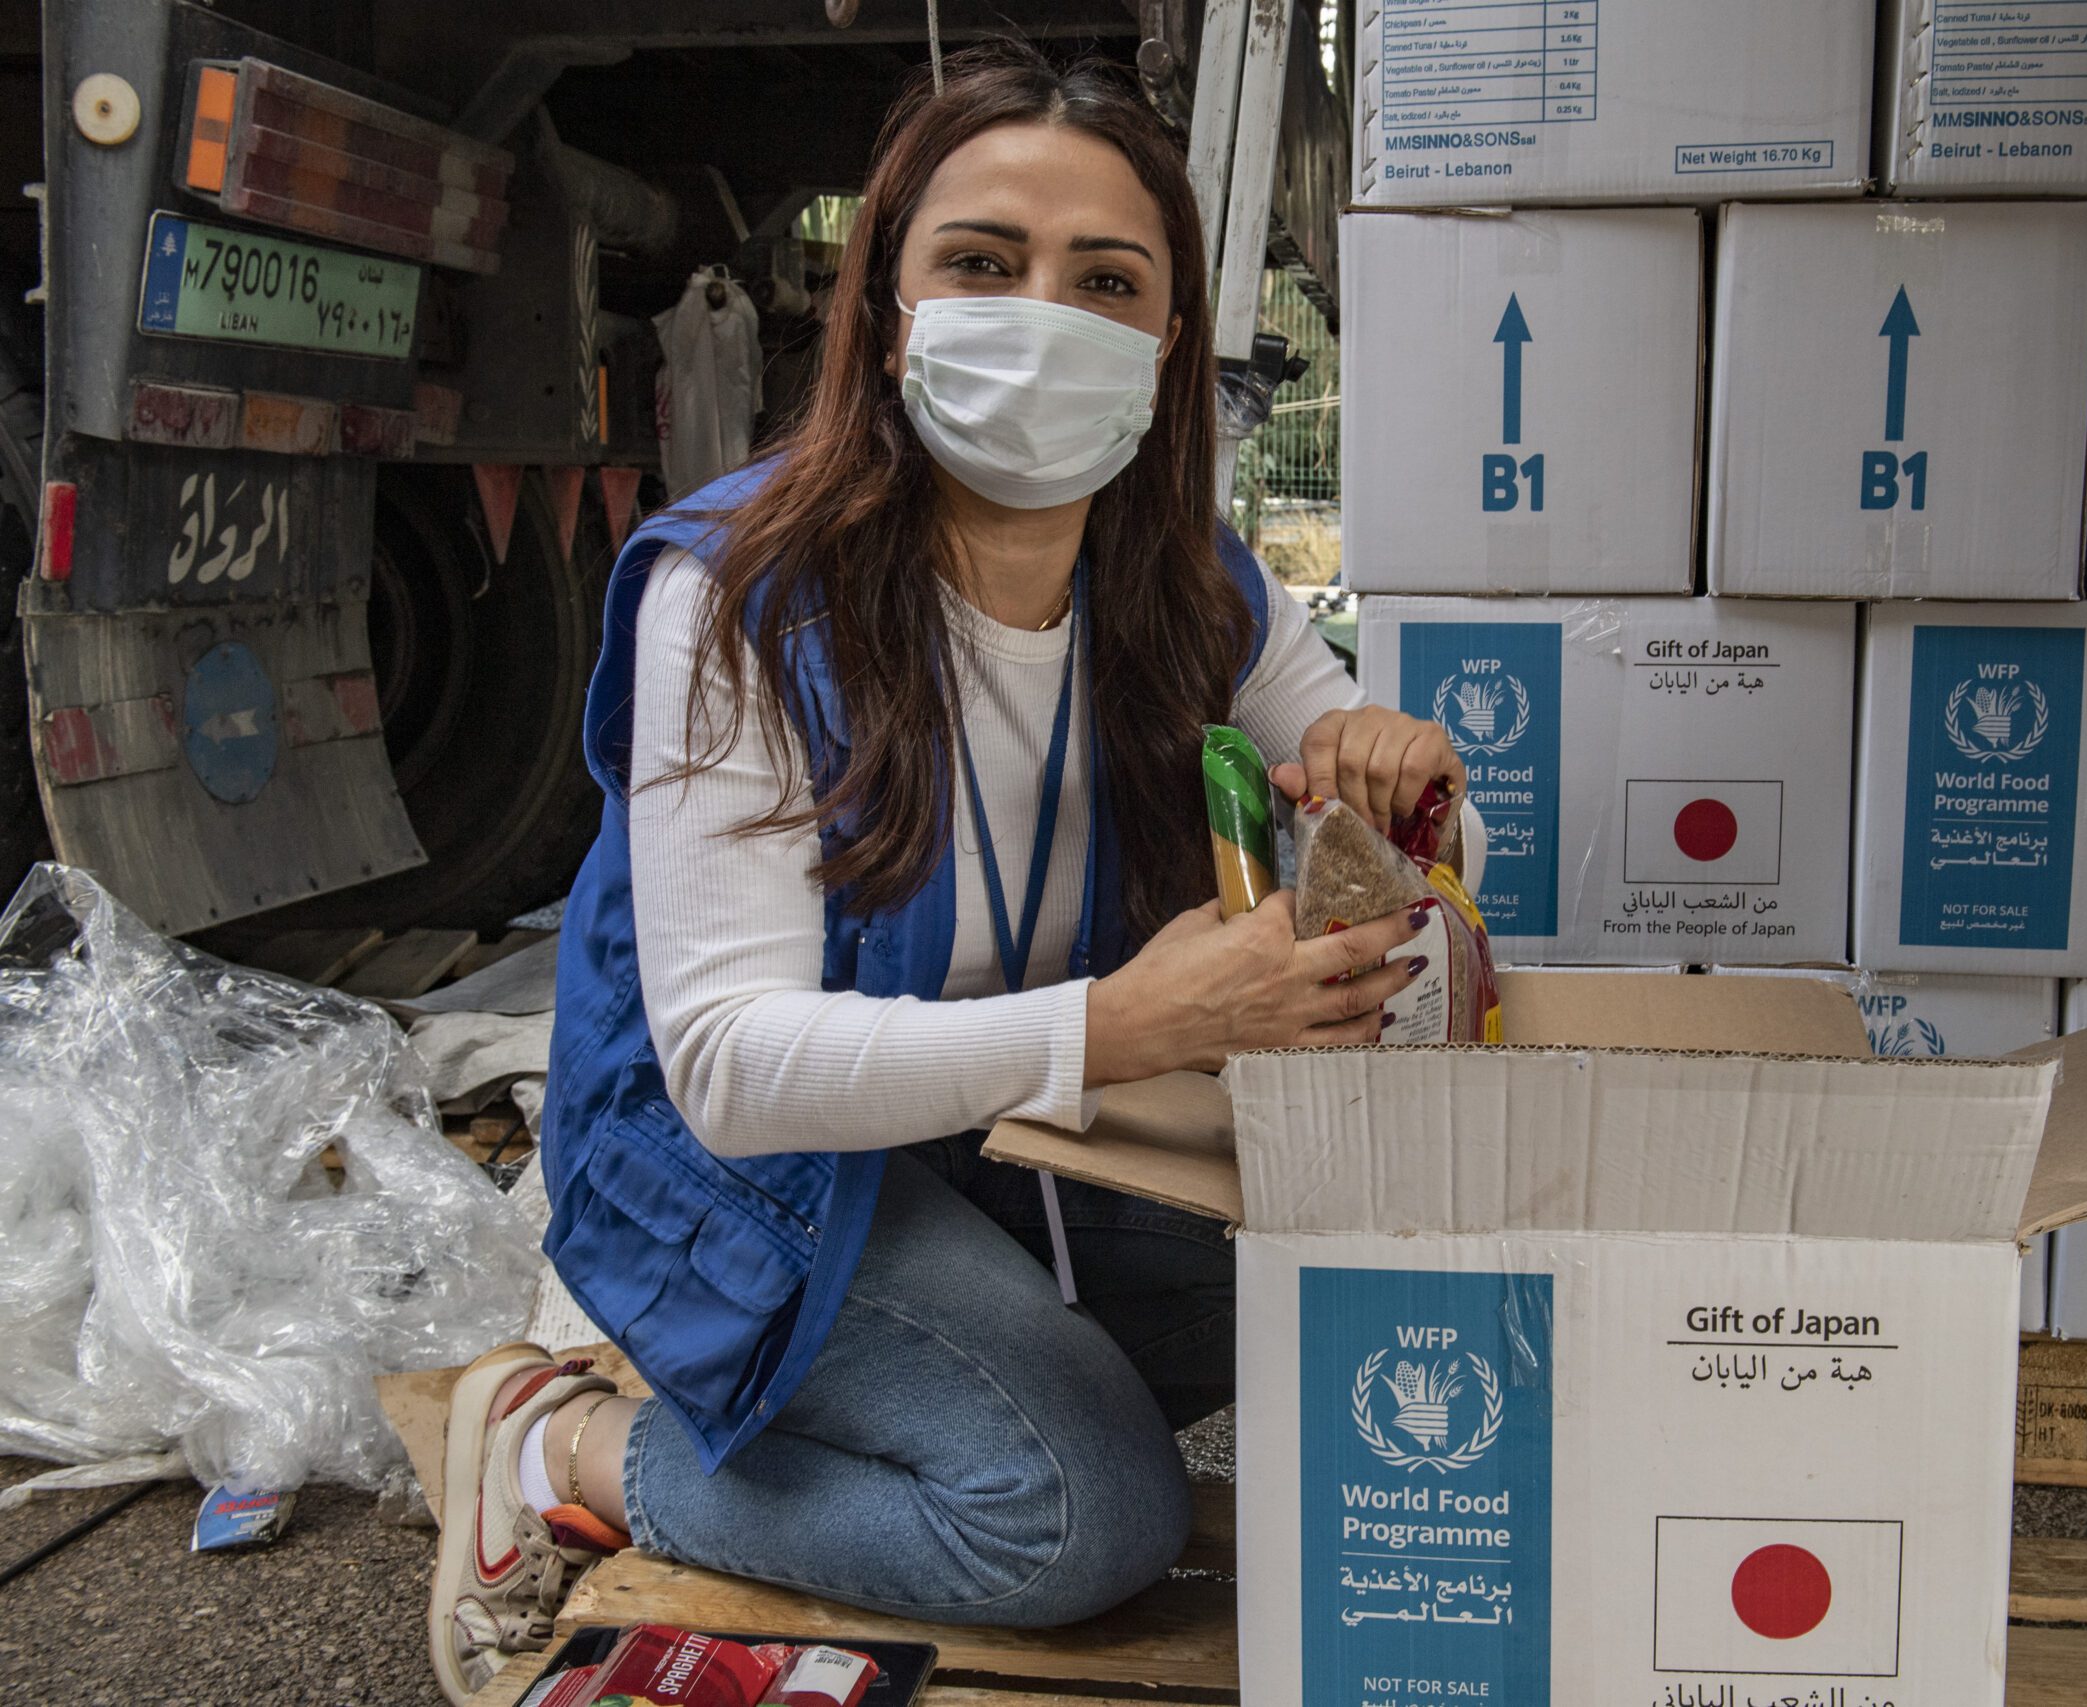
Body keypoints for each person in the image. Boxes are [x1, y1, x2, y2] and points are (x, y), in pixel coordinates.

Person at [427, 43, 1469, 1702]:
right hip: (757, 1164)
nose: (1045, 315)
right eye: (984, 263)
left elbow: (1378, 829)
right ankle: (566, 1444)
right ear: (890, 304)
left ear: (1168, 341)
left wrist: (1401, 796)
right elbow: (728, 1068)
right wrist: (1121, 1030)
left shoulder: (1189, 583)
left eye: (1105, 280)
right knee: (1075, 1519)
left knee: (1391, 1259)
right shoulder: (742, 601)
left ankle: (918, 1378)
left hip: (1005, 1131)